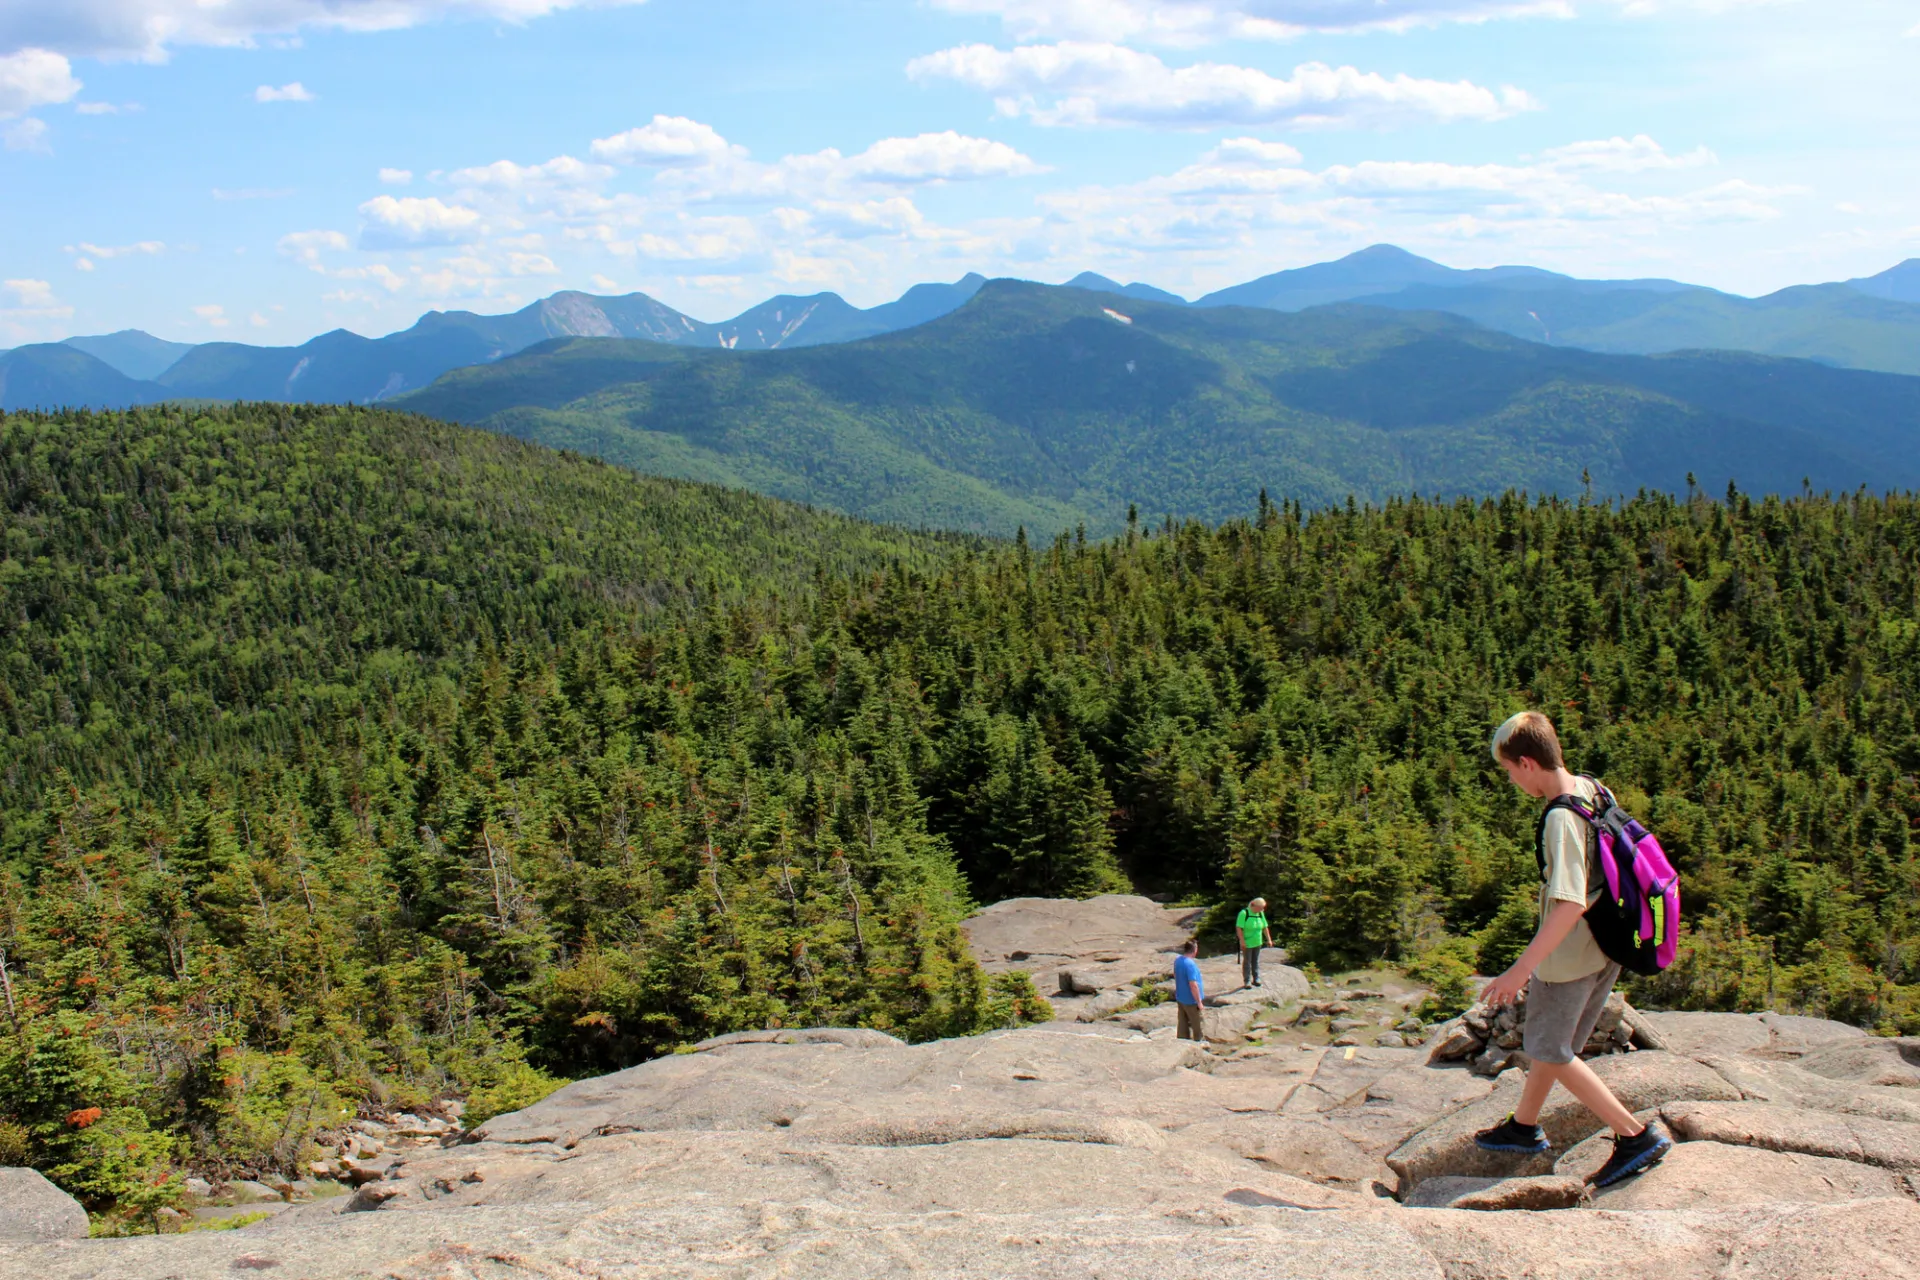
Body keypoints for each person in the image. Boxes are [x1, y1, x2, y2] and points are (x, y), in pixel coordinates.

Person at [1474, 711, 1673, 1188]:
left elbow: (1567, 904)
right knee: (1555, 1046)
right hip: (1609, 944)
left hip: (1570, 955)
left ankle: (1634, 1135)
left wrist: (1520, 971)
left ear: (1526, 763)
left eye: (1508, 770)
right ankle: (1524, 1127)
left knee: (1550, 1047)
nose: (1511, 780)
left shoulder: (1561, 817)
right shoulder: (1593, 788)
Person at [1235, 897, 1274, 988]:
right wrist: (1242, 941)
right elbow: (1239, 928)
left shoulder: (1260, 914)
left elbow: (1265, 927)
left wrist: (1269, 939)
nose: (1262, 910)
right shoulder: (1244, 913)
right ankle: (1247, 981)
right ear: (1254, 905)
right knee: (1247, 961)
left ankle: (1256, 978)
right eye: (1260, 907)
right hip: (1247, 942)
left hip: (1258, 941)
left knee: (1255, 960)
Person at [1173, 939, 1206, 1042]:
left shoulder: (1178, 960)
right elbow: (1193, 985)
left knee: (1182, 1024)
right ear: (1194, 950)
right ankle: (1200, 1045)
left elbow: (1176, 976)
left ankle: (1182, 1043)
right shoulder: (1190, 964)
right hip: (1191, 1001)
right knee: (1198, 1026)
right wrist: (1199, 1002)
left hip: (1180, 998)